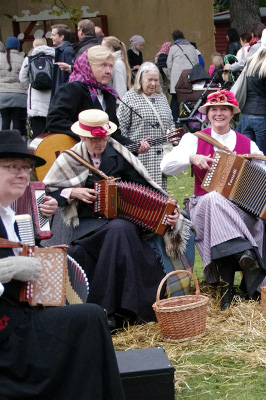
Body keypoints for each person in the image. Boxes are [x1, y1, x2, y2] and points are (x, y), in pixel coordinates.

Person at [0, 129, 126, 399]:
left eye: (26, 168)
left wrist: (40, 262)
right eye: (12, 167)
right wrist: (5, 272)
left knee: (91, 316)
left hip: (21, 317)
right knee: (88, 318)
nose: (23, 174)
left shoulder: (11, 214)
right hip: (6, 332)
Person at [44, 109, 188, 327]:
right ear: (83, 137)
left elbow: (144, 186)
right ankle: (119, 311)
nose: (100, 143)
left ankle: (110, 311)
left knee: (121, 229)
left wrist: (169, 210)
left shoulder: (119, 154)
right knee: (119, 231)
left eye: (103, 138)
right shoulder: (69, 158)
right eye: (94, 139)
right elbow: (48, 191)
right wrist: (72, 192)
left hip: (124, 224)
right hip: (88, 227)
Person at [161, 89, 266, 310]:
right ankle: (244, 255)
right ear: (207, 114)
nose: (218, 114)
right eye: (214, 110)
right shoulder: (193, 140)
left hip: (238, 211)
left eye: (224, 109)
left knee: (221, 207)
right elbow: (166, 166)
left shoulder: (245, 143)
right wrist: (191, 157)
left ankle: (225, 288)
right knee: (214, 199)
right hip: (202, 207)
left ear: (231, 114)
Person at [45, 45, 148, 152]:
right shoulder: (73, 89)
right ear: (88, 66)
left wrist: (135, 146)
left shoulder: (109, 95)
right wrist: (89, 134)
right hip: (73, 154)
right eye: (103, 65)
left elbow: (113, 133)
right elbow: (54, 121)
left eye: (111, 66)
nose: (109, 71)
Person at [117, 62, 174, 189]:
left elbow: (170, 122)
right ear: (140, 79)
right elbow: (121, 128)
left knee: (160, 195)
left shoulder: (162, 97)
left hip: (161, 157)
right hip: (140, 157)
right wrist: (130, 148)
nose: (153, 84)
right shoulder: (129, 98)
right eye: (149, 80)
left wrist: (171, 132)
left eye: (156, 80)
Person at [237, 27, 266, 159]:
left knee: (248, 159)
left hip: (246, 115)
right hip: (263, 116)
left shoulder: (251, 63)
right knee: (262, 160)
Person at [19, 38, 55, 138]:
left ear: (34, 46)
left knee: (38, 135)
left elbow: (22, 78)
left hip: (35, 104)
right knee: (53, 134)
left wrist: (31, 87)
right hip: (52, 100)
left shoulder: (29, 59)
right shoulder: (53, 59)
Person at [167, 30, 198, 121]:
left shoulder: (173, 48)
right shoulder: (192, 47)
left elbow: (169, 64)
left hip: (177, 77)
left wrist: (170, 77)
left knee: (175, 99)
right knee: (188, 98)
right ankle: (187, 117)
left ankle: (175, 119)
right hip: (190, 75)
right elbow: (196, 62)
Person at [0, 37, 27, 138]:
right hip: (19, 95)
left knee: (5, 121)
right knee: (17, 122)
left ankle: (4, 145)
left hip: (3, 95)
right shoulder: (23, 60)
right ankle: (17, 145)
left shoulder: (0, 58)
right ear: (17, 46)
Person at [50, 24, 75, 97]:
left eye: (53, 35)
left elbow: (70, 75)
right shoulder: (62, 50)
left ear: (61, 37)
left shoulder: (67, 51)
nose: (51, 37)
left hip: (64, 93)